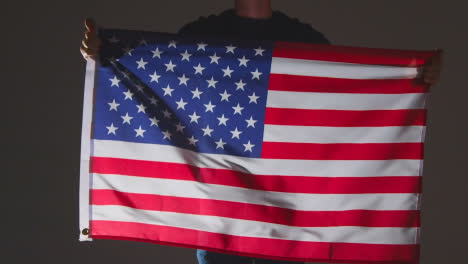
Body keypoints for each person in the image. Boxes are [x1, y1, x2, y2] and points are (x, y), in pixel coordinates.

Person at [79, 1, 443, 263]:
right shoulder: (201, 34)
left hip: (284, 217)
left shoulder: (304, 38)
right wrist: (104, 54)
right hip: (221, 214)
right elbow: (152, 69)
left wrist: (413, 78)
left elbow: (348, 98)